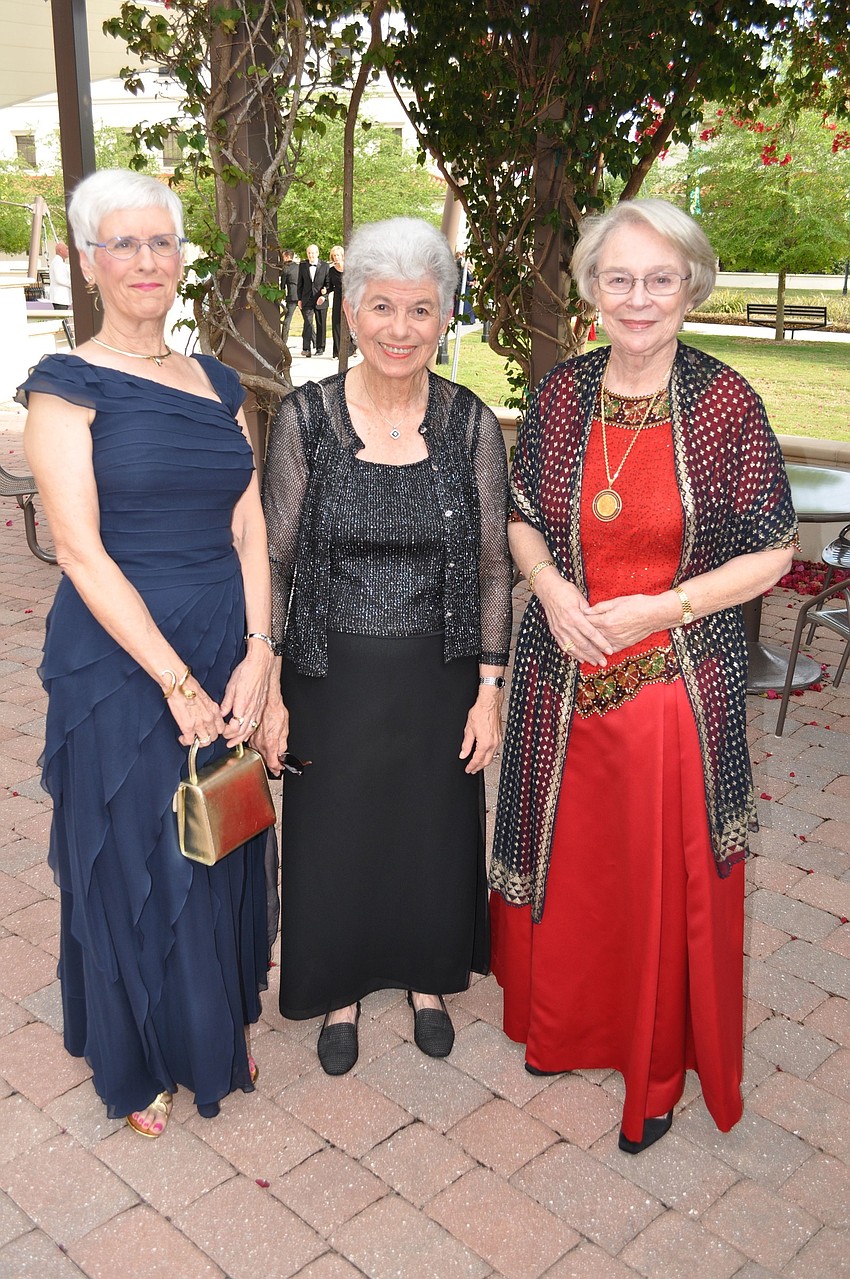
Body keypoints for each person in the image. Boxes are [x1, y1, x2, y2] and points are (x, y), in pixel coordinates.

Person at [489, 198, 796, 1154]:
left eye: (660, 279)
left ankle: (655, 1071)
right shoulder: (560, 393)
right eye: (618, 278)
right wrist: (548, 587)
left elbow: (773, 553)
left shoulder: (724, 403)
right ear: (590, 288)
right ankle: (566, 1028)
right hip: (562, 671)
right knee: (576, 869)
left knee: (654, 884)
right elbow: (521, 508)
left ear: (690, 287)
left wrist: (662, 611)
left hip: (674, 684)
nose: (638, 297)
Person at [18, 169, 275, 1137]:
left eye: (159, 243)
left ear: (180, 260)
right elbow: (78, 549)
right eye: (121, 245)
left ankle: (212, 1018)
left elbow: (250, 525)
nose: (144, 262)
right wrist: (174, 679)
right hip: (122, 659)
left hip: (223, 632)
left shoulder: (217, 380)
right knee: (139, 848)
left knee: (222, 827)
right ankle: (143, 1054)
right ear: (89, 262)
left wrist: (259, 653)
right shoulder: (63, 388)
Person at [256, 216, 513, 1074]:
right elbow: (278, 562)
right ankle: (336, 986)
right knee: (335, 834)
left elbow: (488, 565)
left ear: (445, 317)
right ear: (351, 312)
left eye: (420, 309)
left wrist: (489, 686)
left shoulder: (471, 423)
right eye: (381, 308)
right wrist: (273, 685)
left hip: (438, 674)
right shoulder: (306, 419)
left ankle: (427, 979)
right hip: (332, 674)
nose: (400, 329)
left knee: (433, 832)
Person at [297, 243, 329, 356]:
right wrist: (299, 299)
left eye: (313, 253)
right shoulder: (302, 265)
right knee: (308, 323)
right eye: (309, 253)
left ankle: (320, 347)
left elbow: (328, 283)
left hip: (320, 299)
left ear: (317, 253)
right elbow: (299, 283)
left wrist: (324, 294)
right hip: (306, 299)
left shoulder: (325, 266)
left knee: (321, 324)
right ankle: (306, 349)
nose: (311, 255)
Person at [327, 244, 348, 359]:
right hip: (337, 298)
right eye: (334, 255)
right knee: (336, 323)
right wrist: (325, 291)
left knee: (350, 322)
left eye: (338, 255)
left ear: (343, 256)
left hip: (349, 298)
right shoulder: (331, 271)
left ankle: (351, 349)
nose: (336, 257)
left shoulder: (350, 268)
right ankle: (337, 351)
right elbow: (330, 287)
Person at [281, 247, 299, 344]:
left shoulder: (286, 268)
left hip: (291, 296)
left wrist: (282, 294)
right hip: (300, 296)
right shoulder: (298, 267)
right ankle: (314, 340)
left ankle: (283, 340)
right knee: (308, 320)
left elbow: (283, 285)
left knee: (287, 320)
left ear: (287, 257)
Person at [49, 240, 72, 308]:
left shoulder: (61, 262)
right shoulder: (57, 262)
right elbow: (59, 279)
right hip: (60, 298)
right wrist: (72, 284)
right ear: (60, 251)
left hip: (62, 298)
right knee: (60, 317)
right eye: (66, 249)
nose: (68, 251)